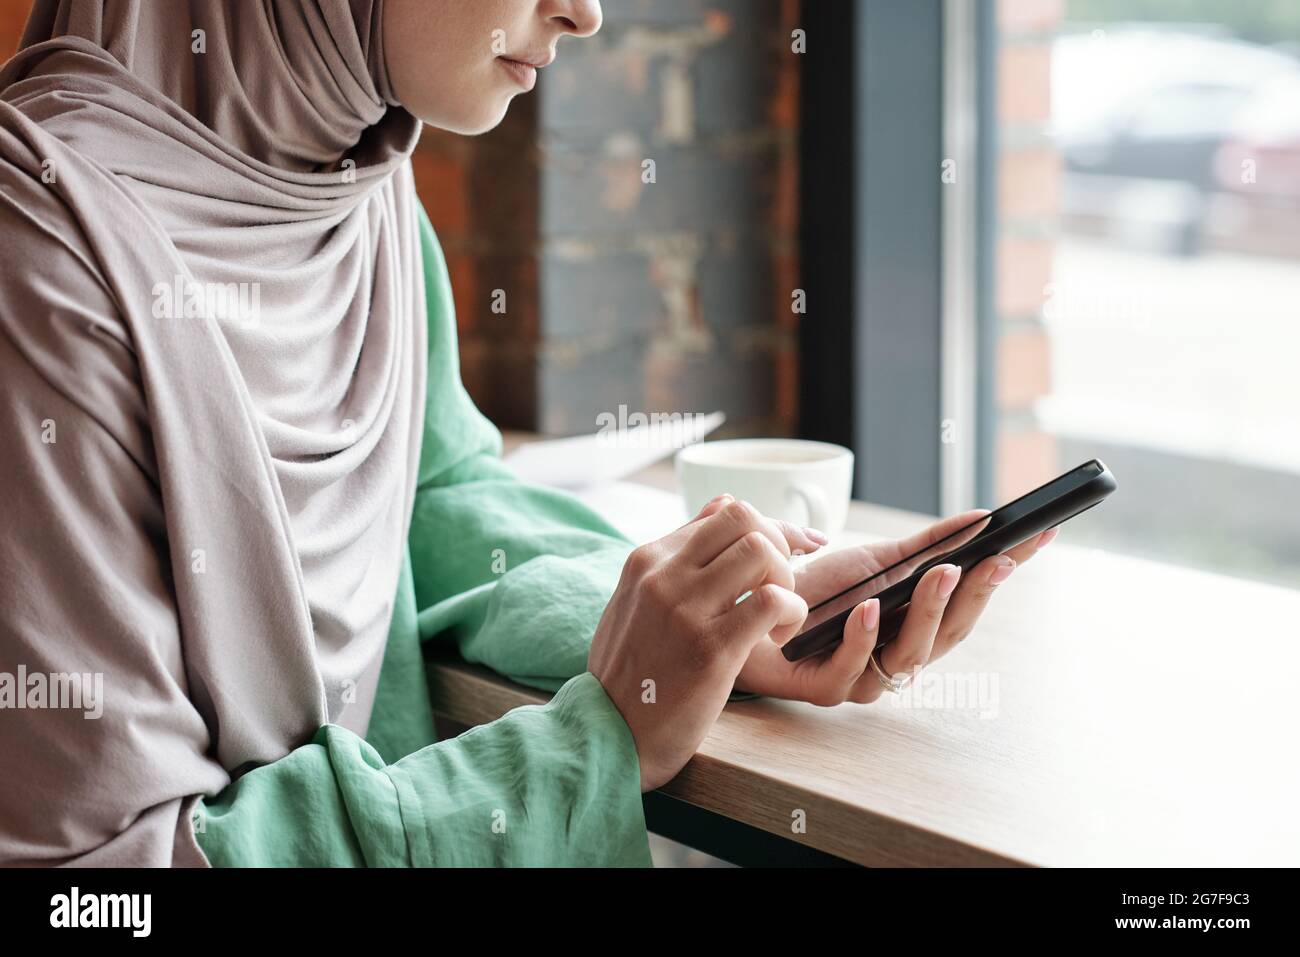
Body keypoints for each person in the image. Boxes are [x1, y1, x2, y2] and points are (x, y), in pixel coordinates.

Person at [0, 0, 1055, 867]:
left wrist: (712, 622)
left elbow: (435, 502)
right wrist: (592, 745)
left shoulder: (357, 185)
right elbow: (97, 881)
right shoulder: (39, 255)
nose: (585, 14)